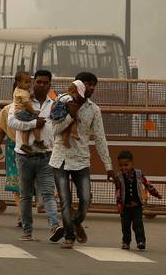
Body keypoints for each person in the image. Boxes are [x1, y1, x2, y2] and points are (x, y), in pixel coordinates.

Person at [50, 72, 115, 249]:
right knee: (65, 199)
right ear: (78, 84)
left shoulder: (94, 109)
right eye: (88, 84)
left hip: (81, 159)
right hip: (60, 158)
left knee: (86, 199)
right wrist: (71, 115)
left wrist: (108, 165)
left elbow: (100, 138)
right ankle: (69, 236)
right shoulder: (62, 103)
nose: (91, 88)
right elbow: (54, 130)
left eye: (94, 84)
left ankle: (76, 222)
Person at [7, 70, 64, 242]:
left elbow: (59, 125)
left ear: (49, 85)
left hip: (46, 155)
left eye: (45, 82)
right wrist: (34, 123)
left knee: (47, 193)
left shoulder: (53, 104)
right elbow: (12, 122)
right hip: (24, 156)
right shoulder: (21, 100)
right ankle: (27, 231)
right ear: (33, 83)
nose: (41, 85)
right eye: (38, 82)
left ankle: (54, 226)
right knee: (25, 196)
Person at [115, 151, 162, 250]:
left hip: (137, 207)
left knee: (138, 224)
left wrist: (156, 194)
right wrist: (118, 203)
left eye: (126, 165)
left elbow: (147, 185)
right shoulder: (119, 177)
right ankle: (126, 242)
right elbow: (118, 190)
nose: (123, 167)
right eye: (121, 165)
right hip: (125, 207)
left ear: (132, 163)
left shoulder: (139, 174)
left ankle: (141, 241)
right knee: (125, 226)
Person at [0, 101, 22, 227]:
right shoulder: (7, 110)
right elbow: (1, 131)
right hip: (13, 148)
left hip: (33, 150)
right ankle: (21, 214)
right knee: (17, 184)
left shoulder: (36, 108)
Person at [13, 71, 46, 154]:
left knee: (27, 127)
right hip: (22, 112)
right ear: (18, 83)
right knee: (37, 123)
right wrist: (34, 112)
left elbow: (24, 99)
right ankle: (37, 141)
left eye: (29, 82)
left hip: (19, 113)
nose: (28, 84)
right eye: (26, 82)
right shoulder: (23, 93)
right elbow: (27, 104)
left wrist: (30, 96)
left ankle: (25, 145)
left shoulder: (18, 90)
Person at [50, 80, 87, 147]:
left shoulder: (61, 95)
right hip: (61, 116)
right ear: (73, 92)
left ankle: (65, 139)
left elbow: (54, 103)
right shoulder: (69, 98)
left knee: (66, 127)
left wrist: (52, 111)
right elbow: (71, 110)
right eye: (78, 96)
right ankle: (74, 132)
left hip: (54, 116)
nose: (77, 98)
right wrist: (76, 117)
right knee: (72, 120)